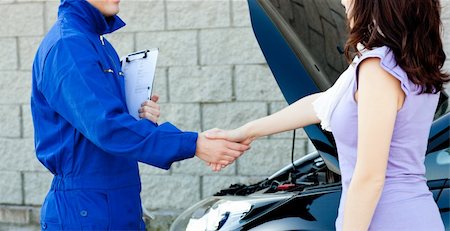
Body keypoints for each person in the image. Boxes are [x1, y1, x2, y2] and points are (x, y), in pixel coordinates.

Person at [206, 0, 449, 230]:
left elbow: (370, 177)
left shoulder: (377, 70)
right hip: (412, 212)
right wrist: (246, 131)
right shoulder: (407, 64)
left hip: (386, 218)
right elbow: (322, 104)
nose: (343, 3)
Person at [31, 0, 248, 230]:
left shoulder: (94, 42)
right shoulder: (69, 45)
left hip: (114, 200)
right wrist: (193, 144)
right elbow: (108, 127)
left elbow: (108, 122)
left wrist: (140, 118)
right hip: (86, 209)